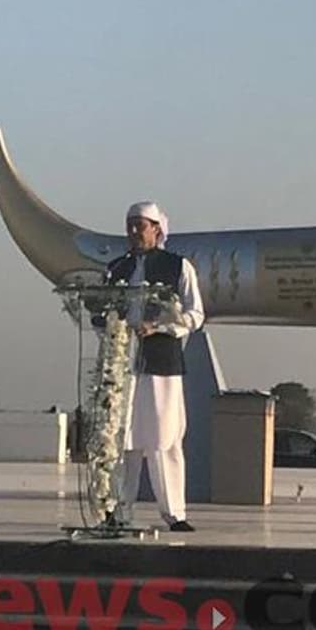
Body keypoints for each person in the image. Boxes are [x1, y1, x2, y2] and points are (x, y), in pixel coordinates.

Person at [103, 201, 205, 532]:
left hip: (162, 363)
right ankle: (118, 510)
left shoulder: (178, 266)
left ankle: (174, 513)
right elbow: (103, 310)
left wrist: (160, 327)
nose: (134, 231)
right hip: (122, 364)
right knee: (122, 437)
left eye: (141, 225)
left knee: (164, 437)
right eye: (130, 225)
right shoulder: (116, 268)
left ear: (156, 229)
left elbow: (195, 315)